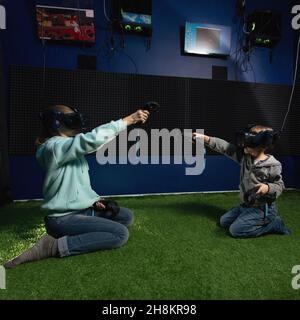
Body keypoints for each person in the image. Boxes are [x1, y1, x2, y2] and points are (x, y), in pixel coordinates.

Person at [4, 105, 149, 268]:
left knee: (126, 216)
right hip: (62, 219)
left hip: (82, 211)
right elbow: (90, 141)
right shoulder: (53, 148)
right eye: (70, 119)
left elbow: (79, 183)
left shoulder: (69, 149)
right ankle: (52, 246)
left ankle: (85, 225)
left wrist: (94, 201)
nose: (76, 122)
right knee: (120, 234)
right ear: (56, 125)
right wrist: (127, 121)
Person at [193, 125, 291, 238]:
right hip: (248, 204)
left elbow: (279, 185)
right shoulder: (245, 157)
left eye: (247, 143)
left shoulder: (273, 165)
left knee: (235, 230)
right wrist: (206, 138)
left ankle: (274, 224)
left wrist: (267, 188)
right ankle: (245, 213)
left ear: (262, 145)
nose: (243, 145)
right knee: (223, 221)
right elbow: (225, 147)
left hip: (263, 208)